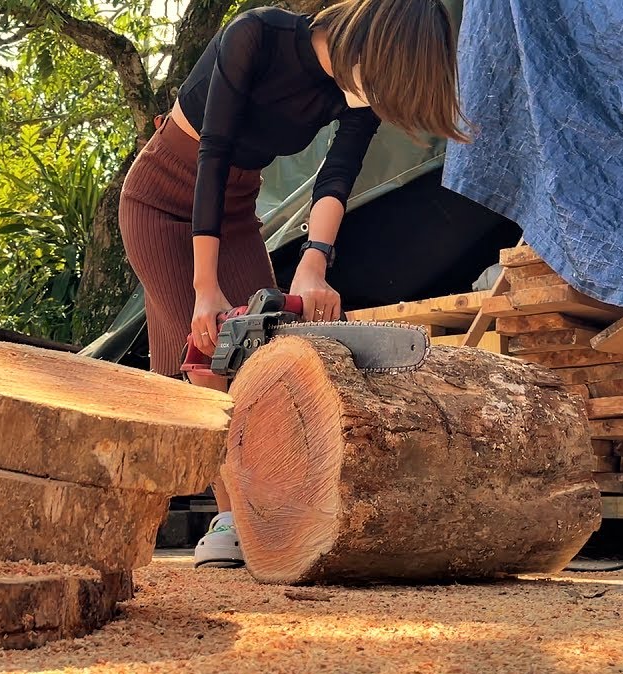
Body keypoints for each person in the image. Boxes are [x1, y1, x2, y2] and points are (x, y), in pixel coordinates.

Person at [118, 0, 471, 568]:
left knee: (259, 347)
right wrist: (204, 285)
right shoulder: (256, 36)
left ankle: (260, 507)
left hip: (233, 212)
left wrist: (314, 261)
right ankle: (230, 519)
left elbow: (338, 174)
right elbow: (215, 152)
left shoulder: (359, 88)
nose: (380, 101)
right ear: (373, 44)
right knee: (208, 357)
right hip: (161, 198)